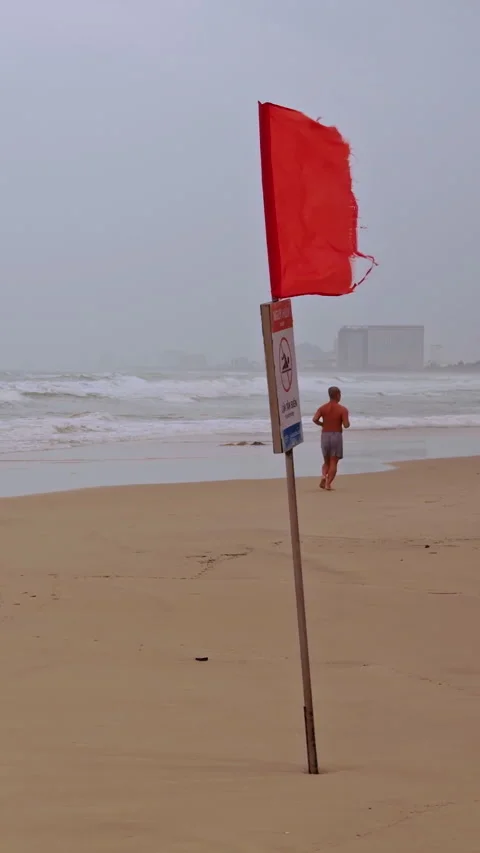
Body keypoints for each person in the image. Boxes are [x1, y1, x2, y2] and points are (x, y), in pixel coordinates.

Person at [312, 386, 350, 490]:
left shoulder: (322, 408)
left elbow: (314, 419)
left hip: (325, 435)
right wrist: (345, 422)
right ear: (338, 395)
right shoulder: (342, 409)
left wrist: (323, 424)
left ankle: (323, 476)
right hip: (336, 436)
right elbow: (346, 425)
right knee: (333, 461)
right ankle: (328, 484)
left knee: (326, 461)